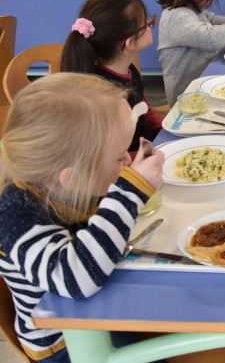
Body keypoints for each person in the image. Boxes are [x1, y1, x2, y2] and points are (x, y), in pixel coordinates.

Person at [0, 73, 165, 363]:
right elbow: (77, 278)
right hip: (68, 344)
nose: (127, 162)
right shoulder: (15, 217)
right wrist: (130, 191)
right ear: (73, 177)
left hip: (100, 310)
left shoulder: (67, 182)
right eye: (118, 158)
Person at [61, 0, 163, 155]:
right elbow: (111, 157)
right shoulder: (103, 95)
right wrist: (150, 154)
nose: (151, 25)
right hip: (127, 167)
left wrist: (162, 129)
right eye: (147, 23)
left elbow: (143, 107)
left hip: (146, 148)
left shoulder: (128, 68)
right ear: (130, 43)